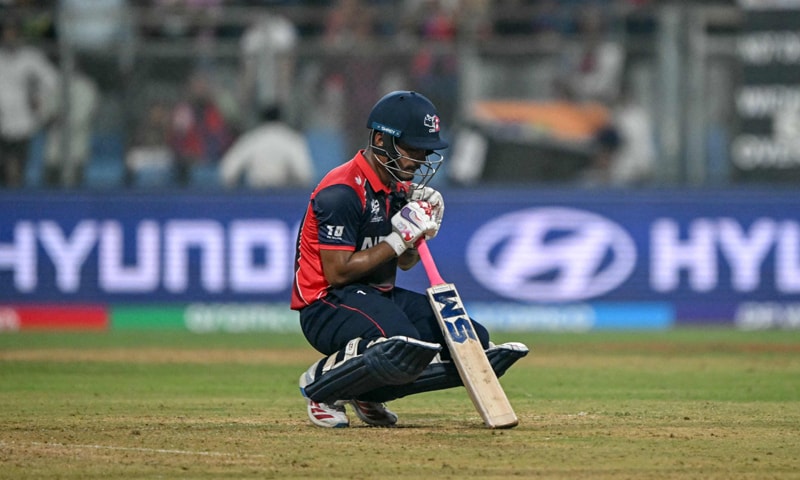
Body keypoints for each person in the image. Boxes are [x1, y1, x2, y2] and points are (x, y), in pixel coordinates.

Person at [291, 91, 529, 428]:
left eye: (424, 150)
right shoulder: (342, 191)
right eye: (412, 149)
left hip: (377, 297)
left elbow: (403, 263)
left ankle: (368, 392)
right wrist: (398, 237)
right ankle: (322, 388)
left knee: (471, 339)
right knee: (400, 341)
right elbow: (338, 273)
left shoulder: (396, 188)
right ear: (380, 140)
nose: (420, 160)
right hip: (326, 305)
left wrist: (420, 232)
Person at [0, 14, 59, 188]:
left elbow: (53, 81)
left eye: (13, 34)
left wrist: (38, 96)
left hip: (24, 122)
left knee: (20, 168)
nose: (10, 38)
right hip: (2, 121)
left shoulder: (31, 58)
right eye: (6, 34)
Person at [218, 104, 314, 189]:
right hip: (283, 197)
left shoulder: (252, 138)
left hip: (255, 197)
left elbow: (228, 171)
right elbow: (305, 174)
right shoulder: (291, 139)